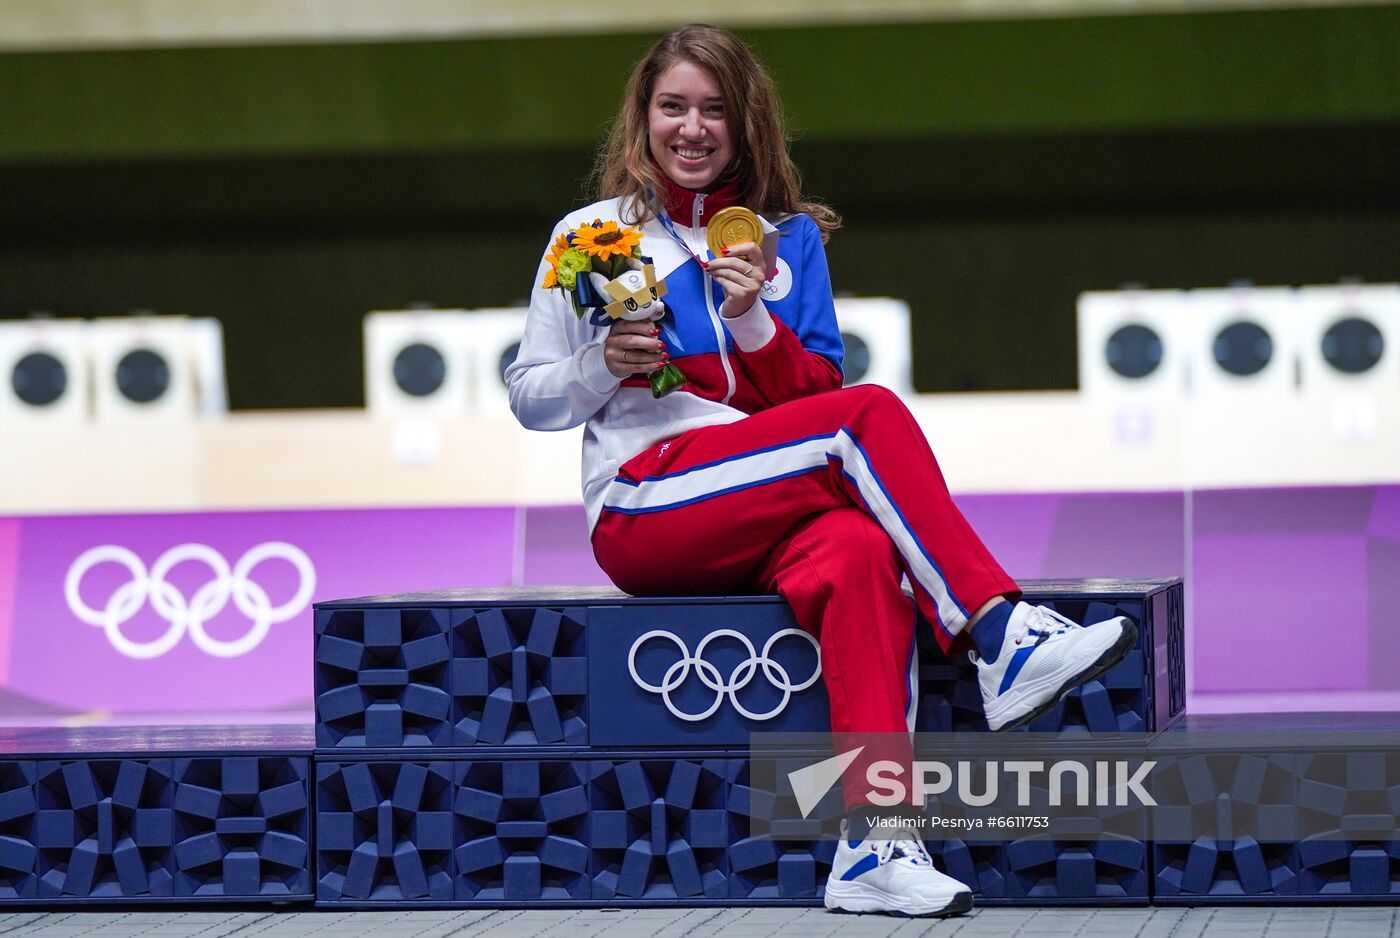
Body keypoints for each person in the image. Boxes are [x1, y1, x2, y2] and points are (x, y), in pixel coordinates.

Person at [506, 23, 1136, 918]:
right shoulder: (590, 237)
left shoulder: (784, 242)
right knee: (867, 418)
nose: (693, 128)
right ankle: (999, 633)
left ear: (745, 121)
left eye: (715, 109)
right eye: (673, 107)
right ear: (642, 119)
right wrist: (599, 366)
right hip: (646, 504)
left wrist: (752, 316)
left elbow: (810, 395)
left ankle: (875, 846)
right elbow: (530, 396)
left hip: (765, 504)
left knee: (856, 552)